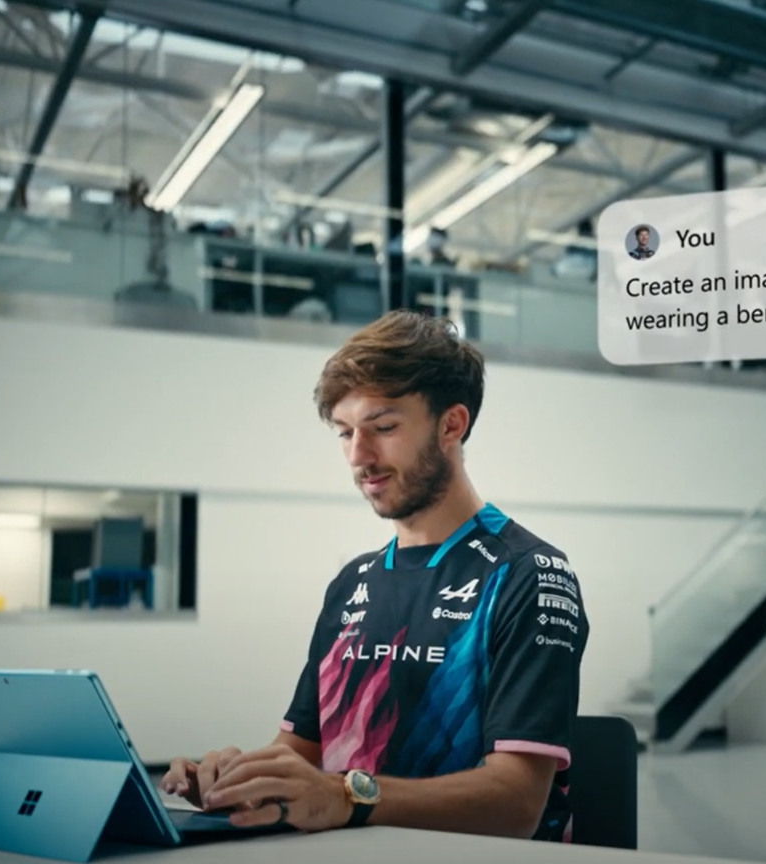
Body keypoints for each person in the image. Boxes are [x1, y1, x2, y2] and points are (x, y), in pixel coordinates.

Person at [160, 310, 589, 842]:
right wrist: (235, 779)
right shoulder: (352, 583)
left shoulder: (529, 574)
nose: (360, 457)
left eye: (384, 428)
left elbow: (516, 803)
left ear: (451, 424)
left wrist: (347, 797)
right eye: (345, 433)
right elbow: (299, 752)